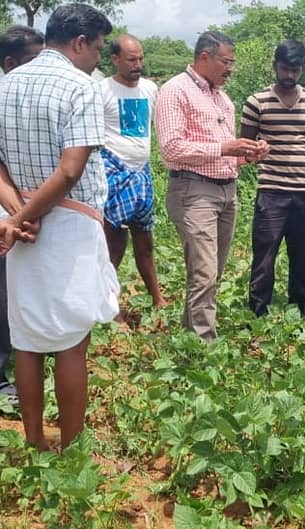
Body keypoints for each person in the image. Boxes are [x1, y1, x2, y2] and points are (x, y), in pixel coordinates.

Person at [0, 3, 118, 450]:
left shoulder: (7, 84)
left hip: (20, 225)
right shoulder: (79, 86)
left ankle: (34, 439)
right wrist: (23, 219)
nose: (98, 60)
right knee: (72, 339)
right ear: (80, 42)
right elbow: (71, 171)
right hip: (66, 223)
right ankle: (71, 447)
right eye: (98, 49)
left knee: (27, 338)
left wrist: (15, 215)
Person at [155, 31, 269, 341]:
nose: (231, 68)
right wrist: (226, 148)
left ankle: (189, 336)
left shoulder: (222, 98)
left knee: (210, 272)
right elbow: (172, 149)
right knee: (204, 272)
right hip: (194, 191)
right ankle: (205, 347)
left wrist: (247, 153)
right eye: (227, 61)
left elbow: (225, 154)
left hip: (225, 190)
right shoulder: (174, 91)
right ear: (204, 57)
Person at [242, 39, 305, 321]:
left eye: (295, 70)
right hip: (271, 191)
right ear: (275, 66)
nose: (289, 75)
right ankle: (258, 310)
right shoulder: (256, 102)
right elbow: (245, 148)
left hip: (303, 192)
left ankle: (299, 306)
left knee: (302, 257)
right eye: (285, 69)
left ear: (302, 69)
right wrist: (254, 153)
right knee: (264, 256)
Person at [100, 34, 166, 318]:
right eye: (131, 59)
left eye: (140, 58)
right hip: (113, 170)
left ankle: (158, 298)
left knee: (145, 240)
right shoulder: (101, 90)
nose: (138, 64)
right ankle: (110, 305)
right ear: (115, 59)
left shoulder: (150, 89)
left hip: (142, 172)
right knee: (113, 244)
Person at [0, 24, 44, 406]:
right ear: (10, 63)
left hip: (18, 216)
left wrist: (19, 214)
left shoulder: (33, 100)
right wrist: (17, 214)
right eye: (34, 60)